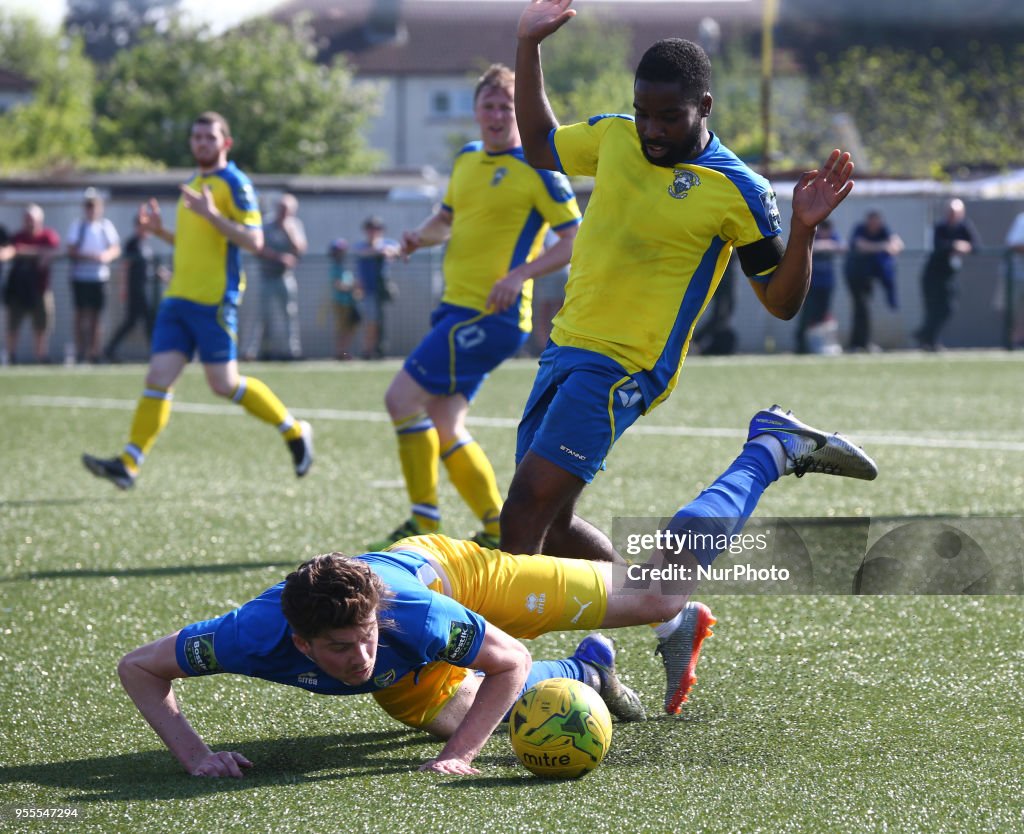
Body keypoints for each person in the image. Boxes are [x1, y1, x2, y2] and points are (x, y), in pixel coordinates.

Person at [117, 405, 877, 777]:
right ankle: (587, 670)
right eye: (341, 649)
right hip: (415, 661)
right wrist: (194, 754)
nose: (357, 656)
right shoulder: (251, 636)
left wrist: (463, 758)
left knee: (658, 597)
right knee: (452, 710)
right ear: (299, 643)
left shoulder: (406, 614)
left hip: (458, 574)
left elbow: (506, 661)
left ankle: (769, 448)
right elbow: (138, 668)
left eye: (364, 638)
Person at [502, 0, 856, 561]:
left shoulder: (739, 188)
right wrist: (528, 45)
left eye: (669, 116)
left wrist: (805, 231)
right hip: (565, 348)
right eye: (643, 112)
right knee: (553, 527)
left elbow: (781, 303)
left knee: (521, 513)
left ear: (705, 106)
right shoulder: (614, 137)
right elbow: (541, 143)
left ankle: (497, 652)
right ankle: (669, 617)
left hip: (626, 364)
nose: (651, 129)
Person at [370, 64, 582, 552]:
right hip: (456, 309)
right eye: (488, 105)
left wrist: (518, 275)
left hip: (490, 314)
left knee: (400, 400)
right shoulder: (466, 159)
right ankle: (493, 525)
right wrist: (415, 239)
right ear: (475, 112)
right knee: (446, 424)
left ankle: (423, 520)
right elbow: (445, 219)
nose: (496, 114)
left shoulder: (537, 167)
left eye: (506, 106)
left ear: (518, 112)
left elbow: (573, 238)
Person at [81, 111, 314, 490]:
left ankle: (293, 430)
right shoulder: (193, 183)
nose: (201, 143)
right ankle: (129, 463)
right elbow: (195, 242)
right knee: (158, 379)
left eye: (209, 137)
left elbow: (254, 241)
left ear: (226, 143)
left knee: (224, 384)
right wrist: (160, 231)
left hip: (213, 301)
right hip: (178, 300)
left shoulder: (235, 183)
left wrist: (212, 214)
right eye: (196, 137)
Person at [246, 193, 307, 361]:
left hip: (285, 276)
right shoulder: (266, 226)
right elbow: (257, 249)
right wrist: (278, 257)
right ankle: (253, 352)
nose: (284, 213)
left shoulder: (294, 225)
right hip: (266, 276)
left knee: (289, 314)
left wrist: (288, 231)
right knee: (262, 315)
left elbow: (300, 249)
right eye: (282, 209)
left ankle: (292, 352)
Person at [913, 199, 979, 352]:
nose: (952, 216)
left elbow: (976, 246)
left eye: (955, 213)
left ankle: (923, 335)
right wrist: (954, 245)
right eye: (950, 212)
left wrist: (966, 247)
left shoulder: (964, 227)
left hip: (949, 276)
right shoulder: (940, 227)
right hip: (932, 275)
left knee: (947, 308)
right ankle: (929, 342)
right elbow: (938, 246)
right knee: (932, 308)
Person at [103, 211, 169, 363]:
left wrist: (163, 274)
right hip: (135, 289)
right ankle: (153, 352)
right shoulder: (131, 244)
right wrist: (123, 289)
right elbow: (125, 268)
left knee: (142, 320)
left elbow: (150, 266)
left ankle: (111, 349)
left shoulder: (146, 245)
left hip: (146, 289)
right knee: (141, 320)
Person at [66, 189, 121, 363]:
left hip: (99, 277)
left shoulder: (106, 226)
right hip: (80, 277)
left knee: (96, 317)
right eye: (88, 205)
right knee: (80, 315)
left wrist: (105, 256)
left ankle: (94, 353)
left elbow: (115, 248)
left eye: (94, 205)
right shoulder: (78, 226)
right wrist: (90, 257)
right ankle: (80, 352)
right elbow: (71, 249)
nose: (91, 209)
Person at [2, 204, 61, 364]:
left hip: (40, 288)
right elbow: (9, 251)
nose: (30, 223)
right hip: (18, 289)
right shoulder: (17, 236)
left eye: (33, 220)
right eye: (27, 219)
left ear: (40, 220)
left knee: (42, 325)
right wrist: (35, 252)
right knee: (13, 325)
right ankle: (11, 356)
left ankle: (41, 355)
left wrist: (25, 251)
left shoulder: (47, 236)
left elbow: (53, 251)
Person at [844, 209, 904, 353]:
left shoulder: (883, 230)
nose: (874, 225)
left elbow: (898, 245)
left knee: (864, 309)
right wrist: (883, 246)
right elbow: (861, 245)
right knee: (861, 309)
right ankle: (857, 344)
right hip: (855, 276)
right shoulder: (860, 229)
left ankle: (861, 343)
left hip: (868, 277)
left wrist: (889, 246)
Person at [351, 216, 401, 360]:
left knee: (380, 321)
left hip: (383, 290)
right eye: (370, 228)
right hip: (367, 290)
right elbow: (362, 252)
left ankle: (378, 349)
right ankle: (368, 350)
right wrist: (379, 251)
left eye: (377, 228)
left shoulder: (388, 244)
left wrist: (389, 251)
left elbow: (398, 250)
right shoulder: (362, 246)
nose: (373, 231)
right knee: (370, 321)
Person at [794, 218, 845, 355]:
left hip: (827, 284)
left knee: (823, 317)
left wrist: (828, 244)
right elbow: (811, 247)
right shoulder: (813, 235)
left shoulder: (833, 236)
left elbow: (842, 247)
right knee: (807, 316)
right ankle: (801, 346)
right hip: (810, 285)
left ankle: (820, 346)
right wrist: (825, 245)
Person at [530, 229, 570, 354]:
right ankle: (545, 346)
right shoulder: (546, 227)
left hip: (562, 271)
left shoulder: (570, 224)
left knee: (559, 309)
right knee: (546, 309)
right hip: (549, 271)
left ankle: (556, 345)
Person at [328, 238, 361, 360]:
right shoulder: (335, 268)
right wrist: (351, 286)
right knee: (342, 329)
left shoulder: (344, 268)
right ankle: (340, 353)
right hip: (341, 303)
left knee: (349, 329)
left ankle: (345, 352)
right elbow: (338, 285)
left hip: (350, 303)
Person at [1005, 209, 1024, 348]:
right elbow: (1013, 243)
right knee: (1014, 309)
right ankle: (1014, 342)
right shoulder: (1022, 220)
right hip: (1018, 274)